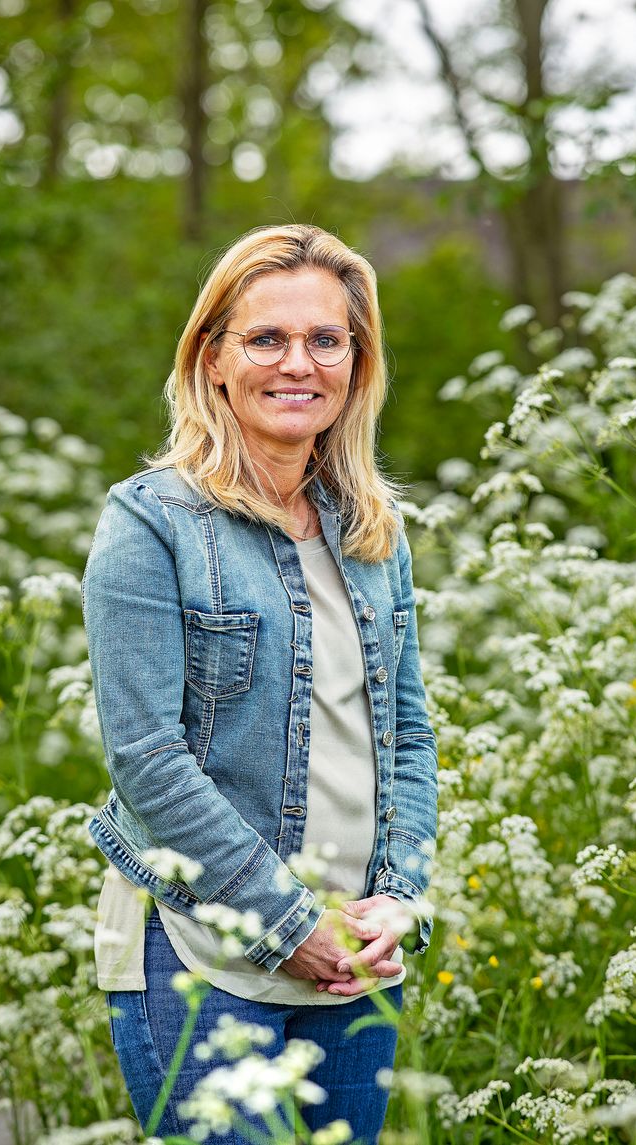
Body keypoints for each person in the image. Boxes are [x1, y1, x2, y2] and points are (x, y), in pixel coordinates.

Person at [81, 223, 438, 1144]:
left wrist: (399, 896)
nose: (299, 364)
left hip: (357, 958)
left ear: (356, 364)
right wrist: (289, 922)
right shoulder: (150, 522)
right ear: (212, 359)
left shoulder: (371, 527)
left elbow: (403, 730)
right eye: (266, 338)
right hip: (200, 953)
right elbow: (147, 761)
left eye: (326, 340)